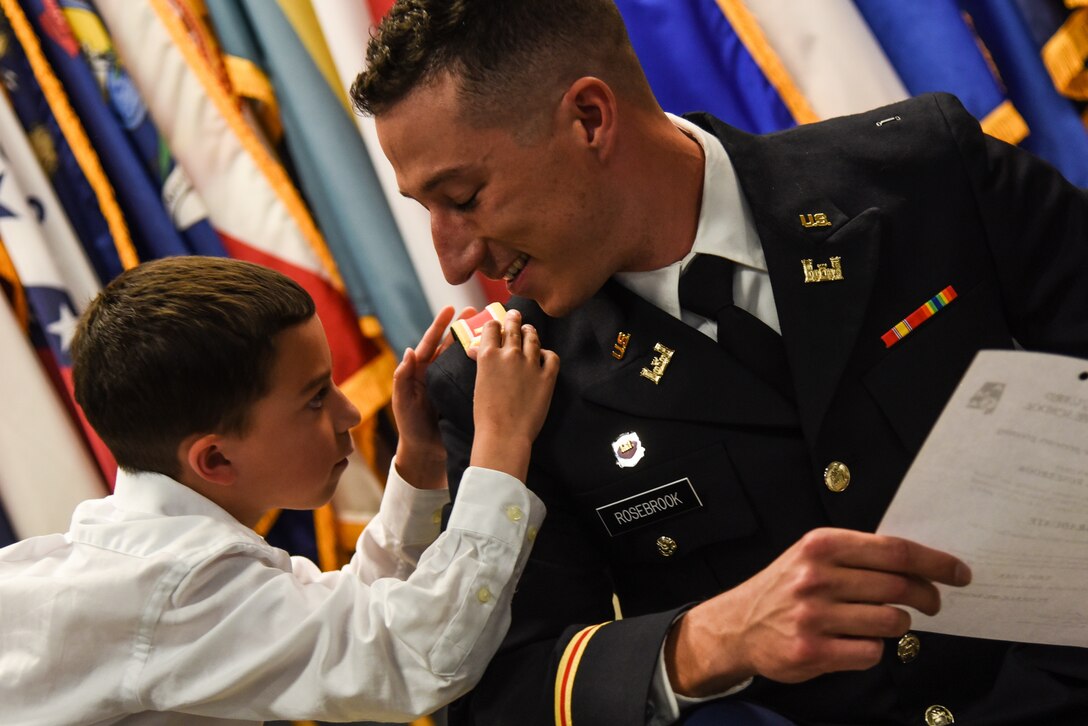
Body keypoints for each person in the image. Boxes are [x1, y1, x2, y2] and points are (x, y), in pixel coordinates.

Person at [350, 1, 1088, 724]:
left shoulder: (926, 173)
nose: (453, 262)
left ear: (590, 119)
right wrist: (704, 643)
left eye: (464, 198)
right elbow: (496, 696)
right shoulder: (496, 388)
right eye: (428, 211)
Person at [0, 255, 559, 725]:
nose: (349, 411)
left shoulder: (148, 553)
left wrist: (420, 459)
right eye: (315, 397)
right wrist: (503, 438)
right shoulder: (175, 587)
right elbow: (412, 653)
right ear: (215, 457)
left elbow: (342, 620)